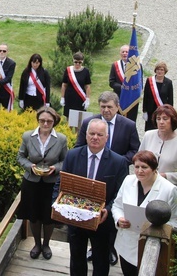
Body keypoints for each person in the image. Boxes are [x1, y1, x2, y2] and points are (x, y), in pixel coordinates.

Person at [56, 118, 129, 276]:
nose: (95, 137)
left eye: (100, 134)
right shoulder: (73, 155)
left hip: (102, 222)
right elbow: (60, 183)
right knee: (76, 258)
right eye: (92, 133)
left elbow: (121, 193)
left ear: (106, 138)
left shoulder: (118, 162)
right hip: (75, 218)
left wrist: (108, 210)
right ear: (86, 135)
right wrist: (55, 203)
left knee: (101, 260)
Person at [111, 151, 177, 275]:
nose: (140, 171)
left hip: (153, 249)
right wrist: (119, 219)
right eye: (137, 167)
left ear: (154, 169)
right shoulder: (128, 180)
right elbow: (117, 206)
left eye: (144, 167)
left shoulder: (169, 190)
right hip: (126, 246)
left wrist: (158, 229)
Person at [17, 106, 68, 260]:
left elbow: (65, 161)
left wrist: (56, 168)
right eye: (42, 120)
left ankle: (46, 244)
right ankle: (37, 244)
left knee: (48, 216)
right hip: (31, 182)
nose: (45, 124)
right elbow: (20, 157)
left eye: (49, 121)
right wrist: (30, 166)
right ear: (38, 120)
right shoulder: (27, 136)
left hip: (51, 184)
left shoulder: (61, 139)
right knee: (33, 215)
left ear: (54, 122)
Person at [76, 91, 140, 164]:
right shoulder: (88, 123)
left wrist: (120, 161)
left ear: (117, 107)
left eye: (109, 107)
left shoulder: (129, 125)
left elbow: (135, 150)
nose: (106, 110)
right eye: (103, 107)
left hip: (118, 169)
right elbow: (79, 147)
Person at [139, 104, 177, 186]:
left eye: (165, 119)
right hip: (147, 186)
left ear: (173, 120)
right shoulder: (148, 136)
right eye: (158, 119)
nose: (161, 122)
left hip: (170, 189)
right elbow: (139, 161)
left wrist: (166, 176)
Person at [109, 45, 138, 122]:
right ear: (120, 53)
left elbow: (139, 82)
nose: (125, 54)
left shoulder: (137, 65)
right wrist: (123, 88)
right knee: (118, 120)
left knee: (131, 120)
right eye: (123, 52)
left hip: (132, 98)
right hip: (119, 97)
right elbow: (112, 82)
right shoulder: (115, 65)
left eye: (127, 52)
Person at [142, 61, 174, 131]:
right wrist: (144, 111)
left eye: (161, 70)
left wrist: (170, 112)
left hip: (163, 110)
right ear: (155, 70)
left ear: (165, 71)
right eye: (158, 69)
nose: (159, 71)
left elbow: (170, 99)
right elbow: (146, 96)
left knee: (162, 129)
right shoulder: (149, 81)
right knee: (150, 131)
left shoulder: (168, 82)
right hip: (151, 111)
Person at [60, 52, 91, 118]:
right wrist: (62, 97)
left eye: (79, 62)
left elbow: (87, 86)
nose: (77, 64)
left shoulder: (86, 71)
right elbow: (64, 85)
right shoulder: (68, 70)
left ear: (82, 62)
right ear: (73, 60)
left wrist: (87, 99)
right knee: (69, 119)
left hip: (80, 98)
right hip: (69, 98)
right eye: (75, 62)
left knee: (79, 120)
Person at [0, 44, 15, 111]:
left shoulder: (11, 63)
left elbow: (8, 77)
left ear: (7, 52)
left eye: (4, 51)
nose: (2, 52)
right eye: (0, 50)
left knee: (6, 111)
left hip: (5, 91)